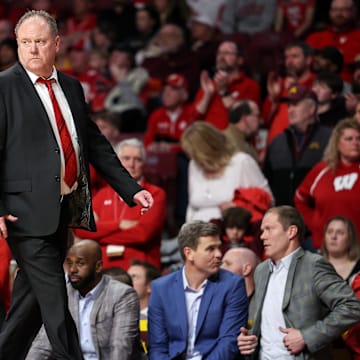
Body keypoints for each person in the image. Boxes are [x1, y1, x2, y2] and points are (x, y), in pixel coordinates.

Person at [0, 10, 153, 360]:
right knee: (55, 299)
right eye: (25, 42)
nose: (32, 49)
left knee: (30, 305)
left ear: (56, 44)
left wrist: (130, 189)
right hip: (22, 215)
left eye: (39, 42)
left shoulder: (71, 86)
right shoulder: (4, 87)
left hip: (59, 211)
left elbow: (94, 143)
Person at [237, 205, 360, 359]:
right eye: (262, 231)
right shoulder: (261, 270)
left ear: (291, 232)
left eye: (269, 229)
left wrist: (307, 336)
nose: (262, 236)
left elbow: (352, 306)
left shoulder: (313, 265)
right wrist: (249, 338)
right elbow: (261, 323)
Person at [26, 240, 143, 360]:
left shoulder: (122, 295)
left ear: (98, 267)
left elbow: (121, 347)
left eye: (80, 263)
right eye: (69, 263)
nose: (73, 269)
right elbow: (43, 345)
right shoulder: (63, 294)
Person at [148, 221, 248, 359]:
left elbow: (228, 342)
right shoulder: (161, 289)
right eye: (210, 249)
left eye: (219, 247)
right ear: (189, 253)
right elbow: (158, 347)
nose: (219, 254)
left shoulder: (233, 285)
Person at [74, 138, 166, 270]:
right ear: (117, 162)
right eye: (126, 158)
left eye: (137, 160)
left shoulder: (155, 194)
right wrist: (119, 225)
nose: (131, 164)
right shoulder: (103, 194)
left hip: (139, 266)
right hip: (103, 266)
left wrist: (99, 233)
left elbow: (142, 235)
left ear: (144, 164)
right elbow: (82, 230)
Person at [181, 122, 272, 223]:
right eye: (190, 155)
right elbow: (191, 208)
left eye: (195, 154)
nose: (192, 158)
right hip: (198, 234)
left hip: (233, 231)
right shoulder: (194, 165)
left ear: (208, 150)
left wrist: (238, 207)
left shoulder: (241, 162)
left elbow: (268, 200)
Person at [294, 118, 360, 249]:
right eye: (349, 139)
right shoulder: (321, 170)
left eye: (358, 138)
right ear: (337, 143)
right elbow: (300, 198)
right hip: (324, 248)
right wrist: (315, 224)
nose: (355, 143)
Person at [264, 84, 332, 206]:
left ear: (312, 108)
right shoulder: (277, 142)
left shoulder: (330, 138)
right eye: (289, 106)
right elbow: (268, 180)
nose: (290, 110)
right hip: (284, 216)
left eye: (295, 105)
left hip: (315, 214)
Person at [193, 40, 261, 130]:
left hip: (233, 141)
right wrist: (207, 95)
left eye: (227, 53)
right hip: (208, 140)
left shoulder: (250, 85)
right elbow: (194, 119)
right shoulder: (209, 85)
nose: (221, 56)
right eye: (219, 53)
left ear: (240, 60)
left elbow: (246, 120)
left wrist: (224, 92)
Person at [306, 0, 360, 83]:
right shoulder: (315, 38)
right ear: (330, 12)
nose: (339, 14)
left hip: (350, 88)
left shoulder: (358, 36)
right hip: (316, 85)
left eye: (344, 9)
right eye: (335, 10)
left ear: (354, 11)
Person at [144, 73, 194, 153]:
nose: (167, 93)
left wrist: (173, 148)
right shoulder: (156, 115)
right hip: (162, 159)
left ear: (184, 95)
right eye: (165, 89)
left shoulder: (192, 113)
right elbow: (147, 143)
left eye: (173, 89)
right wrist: (153, 147)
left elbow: (195, 146)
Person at [128, 260, 161, 354]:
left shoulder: (160, 318)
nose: (128, 281)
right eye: (128, 276)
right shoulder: (118, 315)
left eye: (134, 277)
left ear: (149, 286)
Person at [321, 216, 360, 283]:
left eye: (340, 233)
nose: (333, 236)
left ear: (350, 238)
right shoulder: (312, 264)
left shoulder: (358, 269)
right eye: (329, 232)